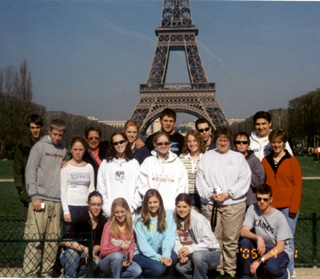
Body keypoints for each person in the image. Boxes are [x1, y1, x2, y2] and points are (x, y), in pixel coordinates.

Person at [196, 126, 251, 278]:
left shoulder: (238, 157)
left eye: (225, 140)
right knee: (214, 241)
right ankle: (217, 269)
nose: (222, 143)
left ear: (229, 141)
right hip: (212, 204)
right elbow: (200, 179)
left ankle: (229, 271)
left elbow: (244, 179)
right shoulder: (207, 156)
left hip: (233, 205)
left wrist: (229, 194)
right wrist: (209, 194)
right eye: (220, 140)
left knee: (230, 241)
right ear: (215, 140)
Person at [22, 119, 66, 278]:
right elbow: (30, 171)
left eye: (60, 135)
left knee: (52, 242)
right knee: (35, 240)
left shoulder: (63, 149)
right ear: (49, 131)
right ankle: (30, 274)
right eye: (55, 134)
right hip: (39, 199)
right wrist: (34, 196)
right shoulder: (39, 147)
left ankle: (46, 273)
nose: (57, 138)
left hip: (56, 201)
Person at [261, 129, 302, 278]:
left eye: (279, 142)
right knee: (272, 241)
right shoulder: (265, 161)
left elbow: (297, 186)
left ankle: (290, 270)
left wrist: (293, 208)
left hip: (287, 209)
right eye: (274, 142)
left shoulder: (292, 161)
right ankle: (275, 269)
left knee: (288, 241)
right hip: (271, 209)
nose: (276, 145)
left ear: (284, 143)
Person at [240, 184, 292, 279]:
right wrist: (258, 237)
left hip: (277, 250)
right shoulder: (252, 209)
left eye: (265, 199)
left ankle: (283, 274)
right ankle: (248, 275)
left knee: (273, 267)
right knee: (245, 242)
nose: (261, 202)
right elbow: (243, 231)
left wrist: (259, 260)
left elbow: (280, 247)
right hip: (261, 247)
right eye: (259, 199)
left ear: (271, 199)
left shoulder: (279, 217)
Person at [60, 191, 107, 278]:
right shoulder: (81, 219)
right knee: (72, 254)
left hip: (88, 253)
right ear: (88, 204)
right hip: (72, 254)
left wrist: (91, 253)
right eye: (93, 204)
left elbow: (99, 243)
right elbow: (64, 241)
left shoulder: (103, 221)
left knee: (95, 261)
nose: (96, 207)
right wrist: (84, 249)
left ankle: (82, 276)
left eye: (99, 204)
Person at [138, 132, 188, 212]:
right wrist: (153, 201)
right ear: (155, 144)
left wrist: (176, 205)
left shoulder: (178, 163)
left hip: (171, 210)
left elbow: (182, 186)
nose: (163, 146)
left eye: (166, 143)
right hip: (152, 209)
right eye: (160, 143)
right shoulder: (148, 162)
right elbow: (142, 185)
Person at [174, 193, 221, 279]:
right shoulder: (176, 220)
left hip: (212, 253)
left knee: (197, 256)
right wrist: (182, 254)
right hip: (192, 253)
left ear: (190, 206)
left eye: (184, 207)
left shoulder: (198, 219)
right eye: (179, 207)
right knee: (180, 268)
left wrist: (190, 249)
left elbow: (209, 243)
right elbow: (177, 241)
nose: (181, 210)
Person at [133, 189, 177, 278]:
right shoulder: (139, 220)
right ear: (145, 204)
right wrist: (160, 258)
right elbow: (143, 246)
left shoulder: (167, 215)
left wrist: (166, 255)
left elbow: (169, 237)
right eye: (150, 203)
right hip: (142, 254)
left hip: (159, 251)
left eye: (155, 202)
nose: (153, 205)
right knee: (159, 268)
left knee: (173, 257)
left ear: (160, 202)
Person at [97, 132, 140, 218]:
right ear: (112, 145)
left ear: (126, 142)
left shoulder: (134, 163)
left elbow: (138, 188)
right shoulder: (105, 164)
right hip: (110, 214)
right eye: (115, 143)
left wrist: (132, 208)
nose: (119, 145)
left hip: (129, 215)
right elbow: (101, 189)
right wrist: (108, 210)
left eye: (121, 142)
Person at [99, 198, 142, 278]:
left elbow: (131, 247)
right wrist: (120, 248)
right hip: (107, 262)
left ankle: (112, 275)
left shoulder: (130, 227)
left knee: (137, 270)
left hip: (122, 261)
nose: (120, 215)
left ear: (127, 211)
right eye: (116, 212)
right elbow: (103, 250)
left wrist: (128, 259)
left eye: (122, 211)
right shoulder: (108, 226)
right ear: (113, 213)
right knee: (117, 256)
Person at [60, 136, 95, 233]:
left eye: (80, 149)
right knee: (69, 238)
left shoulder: (89, 167)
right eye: (75, 149)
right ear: (71, 150)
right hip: (71, 207)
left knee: (84, 238)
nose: (78, 152)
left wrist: (91, 207)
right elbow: (63, 190)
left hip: (85, 207)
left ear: (84, 150)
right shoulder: (65, 167)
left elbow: (91, 189)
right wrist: (66, 211)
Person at [14, 114, 43, 222]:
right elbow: (17, 169)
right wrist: (20, 190)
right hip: (28, 190)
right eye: (32, 128)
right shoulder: (22, 146)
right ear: (28, 128)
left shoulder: (47, 144)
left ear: (42, 128)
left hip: (44, 190)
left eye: (37, 127)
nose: (35, 130)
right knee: (30, 225)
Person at [234, 132, 265, 206]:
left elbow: (259, 183)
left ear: (248, 145)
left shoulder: (255, 161)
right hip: (234, 201)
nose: (241, 144)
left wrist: (246, 172)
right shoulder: (230, 160)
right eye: (238, 142)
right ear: (234, 144)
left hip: (250, 202)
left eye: (244, 142)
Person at [179, 130, 205, 210]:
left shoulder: (205, 158)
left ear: (199, 141)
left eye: (195, 141)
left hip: (201, 196)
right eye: (189, 141)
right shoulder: (181, 158)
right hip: (185, 195)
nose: (192, 144)